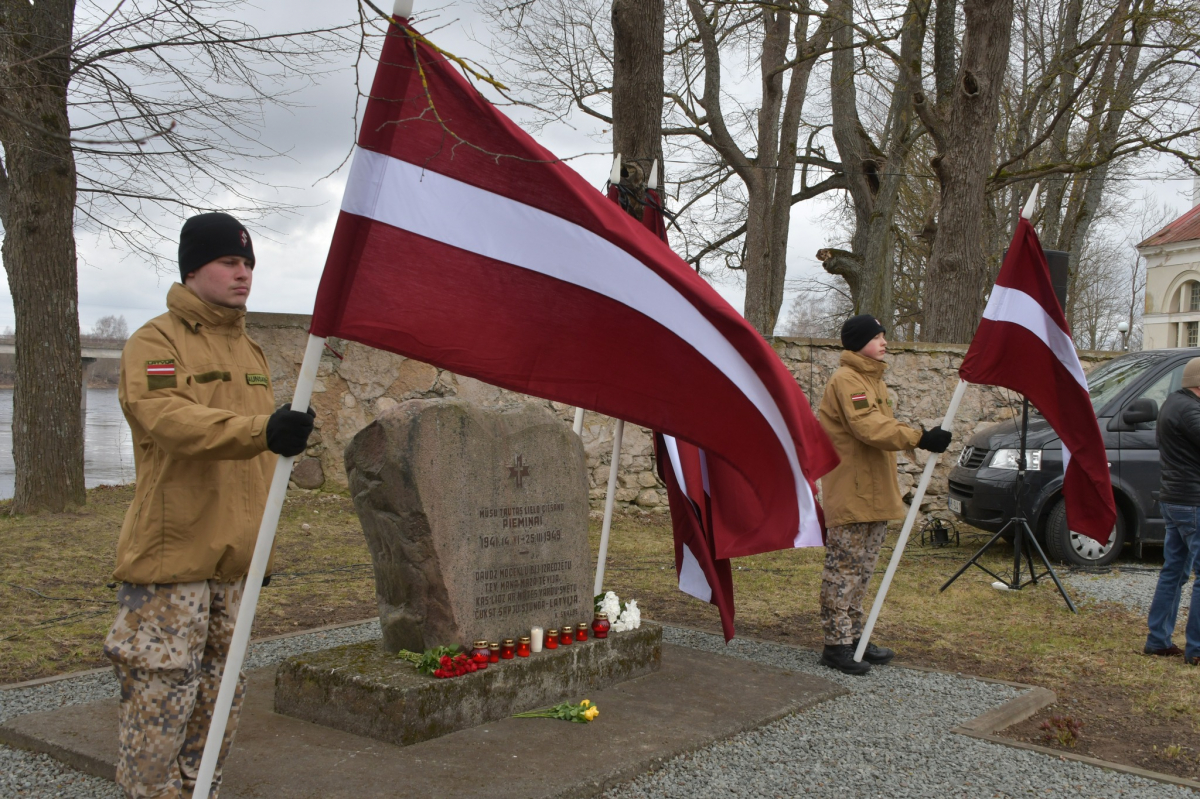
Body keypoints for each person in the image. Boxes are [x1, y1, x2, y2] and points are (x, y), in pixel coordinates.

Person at [103, 212, 316, 798]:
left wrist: (259, 549)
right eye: (229, 262)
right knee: (160, 696)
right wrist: (260, 430)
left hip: (234, 565)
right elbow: (169, 419)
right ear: (193, 268)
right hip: (174, 563)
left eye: (248, 263)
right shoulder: (157, 342)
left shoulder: (249, 349)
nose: (242, 274)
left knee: (221, 696)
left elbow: (258, 463)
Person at [816, 315, 952, 675]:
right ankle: (836, 644)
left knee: (862, 571)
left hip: (873, 491)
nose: (884, 342)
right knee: (843, 570)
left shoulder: (872, 380)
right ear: (857, 342)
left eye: (883, 336)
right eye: (876, 337)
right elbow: (869, 427)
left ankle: (856, 637)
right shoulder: (847, 380)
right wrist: (919, 437)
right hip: (852, 491)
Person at [1144, 357, 1200, 666]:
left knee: (1174, 571)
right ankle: (1197, 648)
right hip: (1193, 501)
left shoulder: (1173, 404)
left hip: (1175, 500)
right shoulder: (1191, 411)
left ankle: (1158, 640)